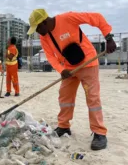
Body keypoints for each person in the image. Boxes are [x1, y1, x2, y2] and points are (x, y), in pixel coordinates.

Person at [27, 9, 116, 150]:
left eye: (38, 28)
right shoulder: (44, 37)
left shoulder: (68, 18)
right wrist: (62, 70)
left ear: (44, 22)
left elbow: (96, 17)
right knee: (65, 97)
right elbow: (50, 56)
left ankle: (99, 133)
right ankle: (64, 126)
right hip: (68, 68)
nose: (38, 32)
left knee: (93, 98)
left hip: (88, 62)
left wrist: (108, 37)